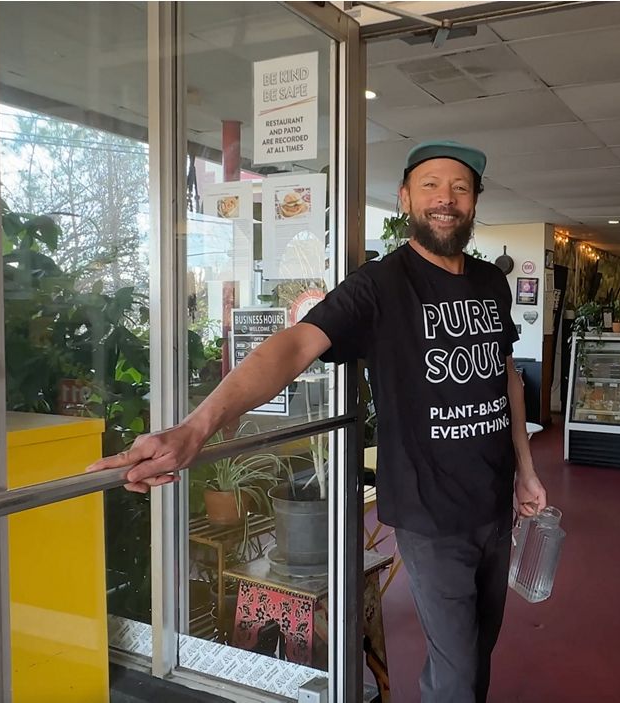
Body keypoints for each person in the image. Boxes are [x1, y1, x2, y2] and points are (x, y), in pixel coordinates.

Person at [87, 139, 547, 703]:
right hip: (430, 510)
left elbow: (505, 378)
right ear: (406, 197)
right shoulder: (380, 285)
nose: (444, 199)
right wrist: (196, 426)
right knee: (458, 668)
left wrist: (525, 472)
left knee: (478, 649)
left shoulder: (489, 282)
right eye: (430, 185)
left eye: (459, 188)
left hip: (494, 502)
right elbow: (292, 346)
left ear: (474, 200)